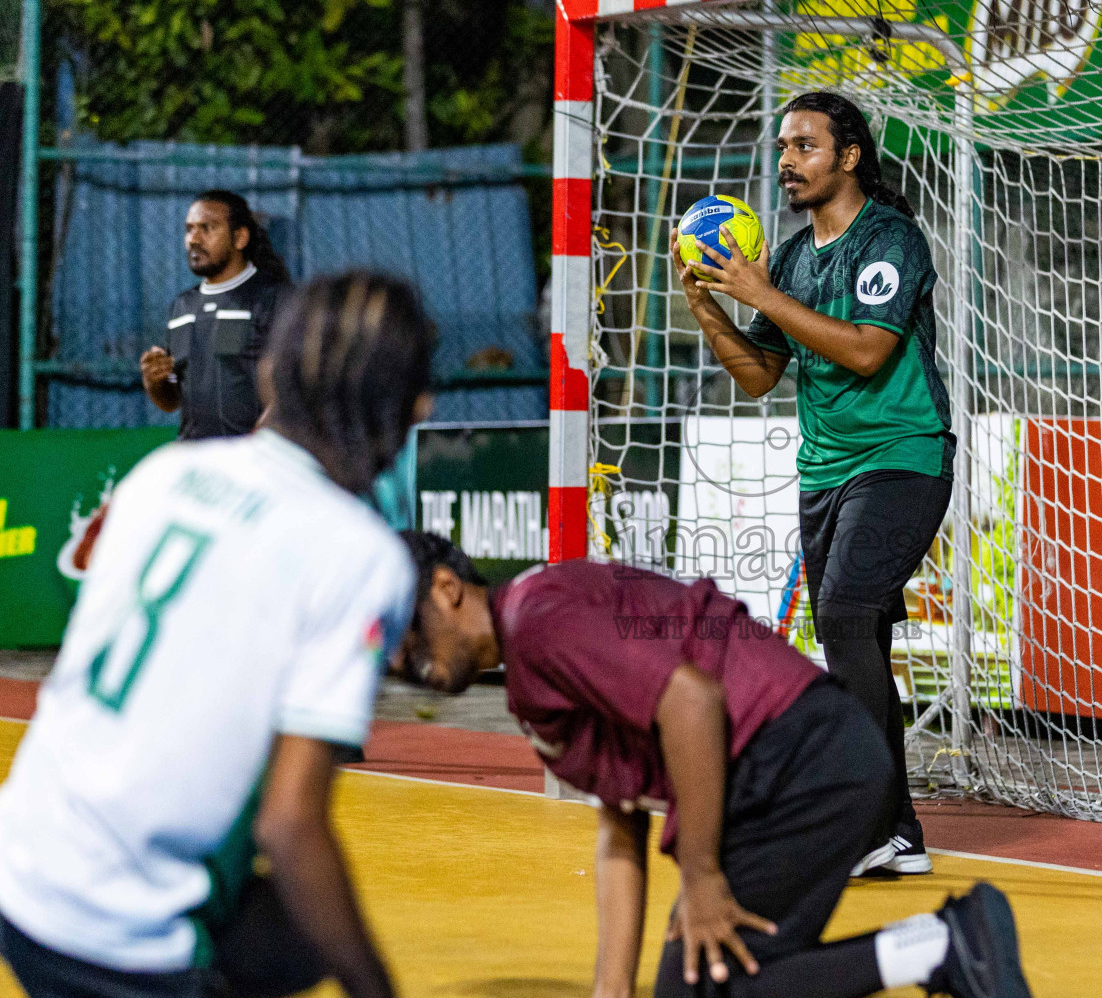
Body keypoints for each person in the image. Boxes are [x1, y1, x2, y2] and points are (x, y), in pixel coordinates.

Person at [0, 271, 435, 998]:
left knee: (294, 941)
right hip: (122, 932)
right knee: (323, 929)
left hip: (21, 864)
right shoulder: (358, 555)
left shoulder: (165, 475)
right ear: (404, 406)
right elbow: (289, 826)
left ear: (271, 371)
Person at [395, 535, 1032, 998]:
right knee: (710, 978)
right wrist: (610, 989)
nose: (406, 665)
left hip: (800, 757)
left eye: (407, 637)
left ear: (446, 590)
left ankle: (950, 943)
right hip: (796, 758)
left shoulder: (538, 621)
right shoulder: (531, 658)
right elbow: (620, 823)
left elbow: (692, 699)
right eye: (393, 661)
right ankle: (946, 944)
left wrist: (700, 877)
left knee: (707, 985)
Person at [670, 91, 953, 876]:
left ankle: (864, 823)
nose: (787, 161)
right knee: (851, 636)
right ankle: (895, 833)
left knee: (845, 614)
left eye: (805, 146)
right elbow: (760, 376)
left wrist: (762, 296)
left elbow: (867, 351)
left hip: (904, 458)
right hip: (824, 469)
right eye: (783, 147)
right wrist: (710, 309)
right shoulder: (791, 257)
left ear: (850, 156)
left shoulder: (889, 238)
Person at [140, 190, 293, 440]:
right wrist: (155, 382)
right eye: (189, 229)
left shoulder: (274, 298)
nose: (194, 239)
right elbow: (172, 400)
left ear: (240, 238)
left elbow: (292, 388)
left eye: (207, 228)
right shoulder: (182, 307)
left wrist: (255, 445)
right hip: (197, 461)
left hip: (252, 463)